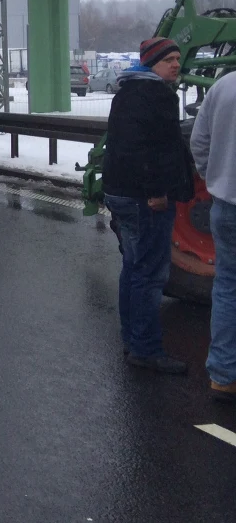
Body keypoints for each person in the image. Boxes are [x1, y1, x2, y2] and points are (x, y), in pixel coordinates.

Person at [103, 37, 193, 374]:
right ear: (151, 63)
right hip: (145, 199)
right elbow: (143, 150)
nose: (175, 64)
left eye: (177, 58)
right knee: (150, 274)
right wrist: (156, 191)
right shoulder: (154, 95)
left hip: (122, 192)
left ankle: (132, 338)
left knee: (133, 268)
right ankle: (145, 349)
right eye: (168, 59)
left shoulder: (128, 91)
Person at [191, 70, 236, 401]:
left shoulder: (223, 86)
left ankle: (223, 375)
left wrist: (213, 176)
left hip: (226, 206)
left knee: (227, 288)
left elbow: (199, 141)